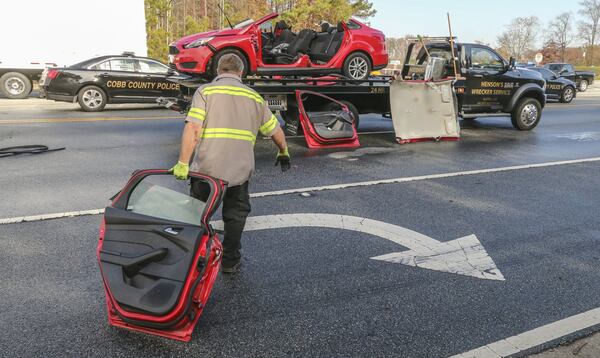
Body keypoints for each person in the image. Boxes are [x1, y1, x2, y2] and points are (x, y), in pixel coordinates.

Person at [170, 54, 290, 274]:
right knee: (235, 216)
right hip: (239, 174)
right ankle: (230, 261)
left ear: (218, 71)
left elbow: (193, 128)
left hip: (207, 171)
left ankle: (193, 258)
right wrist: (283, 151)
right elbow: (275, 131)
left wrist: (182, 163)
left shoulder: (205, 92)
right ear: (241, 72)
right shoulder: (255, 97)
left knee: (196, 214)